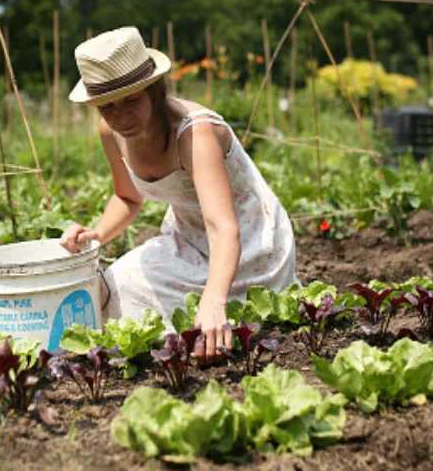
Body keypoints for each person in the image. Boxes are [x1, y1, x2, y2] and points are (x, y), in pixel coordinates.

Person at [59, 27, 296, 362]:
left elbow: (224, 228)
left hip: (248, 242)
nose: (121, 116)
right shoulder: (111, 132)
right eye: (107, 106)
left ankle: (210, 315)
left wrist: (214, 301)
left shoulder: (194, 132)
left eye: (131, 100)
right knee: (117, 285)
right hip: (187, 237)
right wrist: (98, 233)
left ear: (155, 88)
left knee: (206, 315)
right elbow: (127, 198)